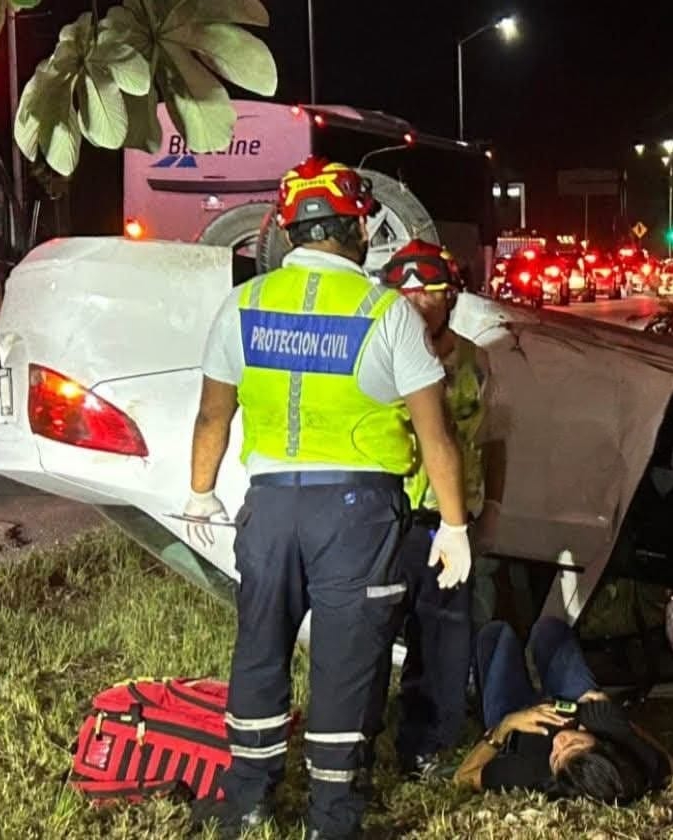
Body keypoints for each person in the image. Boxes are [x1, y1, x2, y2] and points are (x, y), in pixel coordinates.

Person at [180, 157, 471, 840]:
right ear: (355, 230)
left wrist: (198, 496)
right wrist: (454, 525)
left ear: (288, 230)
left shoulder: (244, 304)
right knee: (345, 661)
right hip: (357, 513)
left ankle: (246, 803)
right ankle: (332, 821)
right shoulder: (384, 311)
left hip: (270, 508)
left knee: (259, 647)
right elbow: (437, 431)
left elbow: (212, 417)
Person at [362, 238, 509, 778]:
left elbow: (494, 438)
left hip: (451, 520)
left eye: (435, 294)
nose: (423, 304)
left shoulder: (476, 360)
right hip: (390, 516)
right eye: (411, 295)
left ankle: (427, 746)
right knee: (371, 634)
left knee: (445, 637)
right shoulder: (377, 357)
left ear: (452, 298)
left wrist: (489, 506)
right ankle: (357, 740)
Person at [454, 617, 673, 803]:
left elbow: (462, 778)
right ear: (600, 743)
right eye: (575, 743)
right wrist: (626, 727)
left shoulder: (530, 772)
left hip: (516, 720)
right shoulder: (609, 727)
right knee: (549, 628)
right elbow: (667, 763)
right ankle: (545, 668)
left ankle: (482, 686)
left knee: (497, 633)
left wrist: (503, 728)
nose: (560, 742)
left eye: (557, 757)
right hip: (571, 704)